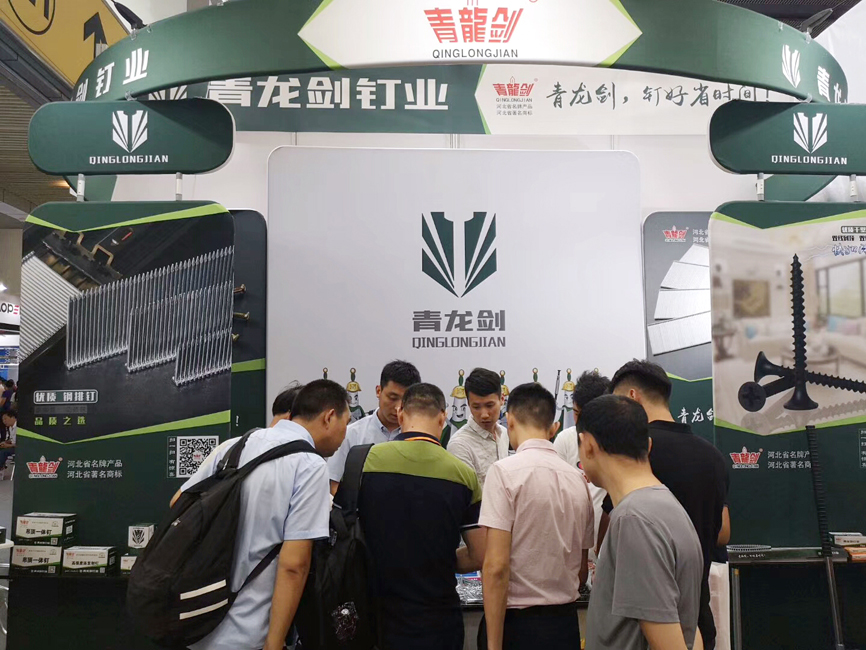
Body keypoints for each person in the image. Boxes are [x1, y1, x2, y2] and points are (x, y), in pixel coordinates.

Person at [175, 379, 350, 650]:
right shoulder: (309, 465)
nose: (345, 435)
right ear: (329, 417)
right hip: (247, 631)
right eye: (346, 423)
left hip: (196, 621)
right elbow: (294, 564)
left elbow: (178, 503)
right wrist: (275, 641)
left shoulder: (234, 446)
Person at [604, 359, 727, 650]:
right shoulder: (713, 457)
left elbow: (610, 534)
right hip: (698, 620)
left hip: (640, 628)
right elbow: (722, 532)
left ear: (632, 397)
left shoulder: (633, 454)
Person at [359, 383, 485, 650]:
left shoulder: (364, 462)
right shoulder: (464, 476)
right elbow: (479, 555)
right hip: (439, 621)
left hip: (378, 620)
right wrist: (436, 559)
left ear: (400, 414)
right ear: (443, 417)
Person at [578, 395, 704, 650]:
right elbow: (689, 629)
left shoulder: (634, 519)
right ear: (648, 446)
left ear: (588, 445)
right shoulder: (669, 506)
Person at [479, 383, 594, 650]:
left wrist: (493, 645)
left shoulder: (503, 473)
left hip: (516, 625)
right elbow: (581, 569)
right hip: (565, 625)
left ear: (509, 420)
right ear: (553, 427)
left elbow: (496, 568)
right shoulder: (578, 479)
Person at [328, 360, 421, 494]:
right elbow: (334, 484)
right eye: (392, 397)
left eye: (406, 400)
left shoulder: (420, 438)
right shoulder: (352, 434)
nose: (398, 407)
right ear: (378, 391)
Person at [553, 369, 610, 553]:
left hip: (607, 542)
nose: (580, 422)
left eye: (587, 415)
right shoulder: (564, 440)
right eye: (576, 413)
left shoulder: (617, 440)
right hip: (573, 543)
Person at [447, 367, 509, 488]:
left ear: (502, 399)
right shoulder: (459, 445)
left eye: (489, 405)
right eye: (476, 407)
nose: (484, 414)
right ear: (468, 404)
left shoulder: (504, 433)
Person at [0, 408, 16, 476]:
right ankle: (2, 466)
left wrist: (8, 445)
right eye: (3, 420)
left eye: (5, 419)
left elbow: (21, 443)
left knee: (3, 452)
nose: (4, 421)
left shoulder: (19, 427)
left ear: (12, 417)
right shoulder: (9, 427)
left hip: (19, 448)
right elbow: (12, 440)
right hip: (12, 446)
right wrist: (6, 442)